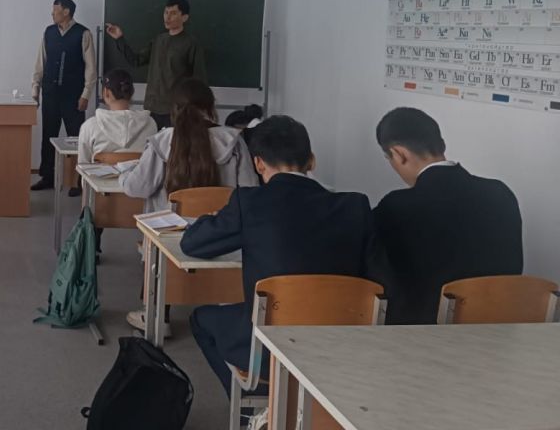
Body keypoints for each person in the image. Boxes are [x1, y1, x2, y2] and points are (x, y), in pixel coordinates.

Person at [181, 115, 384, 396]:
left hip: (268, 348)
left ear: (258, 163)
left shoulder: (249, 203)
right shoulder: (355, 206)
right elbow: (376, 281)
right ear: (312, 161)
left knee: (201, 319)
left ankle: (250, 407)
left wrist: (211, 217)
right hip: (339, 346)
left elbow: (192, 244)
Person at [119, 78, 256, 332]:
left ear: (174, 109)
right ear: (211, 107)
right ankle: (227, 310)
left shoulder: (162, 141)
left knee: (156, 228)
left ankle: (158, 315)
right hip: (222, 240)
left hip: (171, 244)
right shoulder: (234, 142)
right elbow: (250, 193)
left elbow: (137, 187)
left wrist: (124, 174)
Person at [373, 107, 523, 325]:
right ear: (442, 144)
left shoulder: (396, 207)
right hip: (498, 327)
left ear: (399, 154)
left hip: (424, 334)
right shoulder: (500, 194)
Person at [104, 0, 207, 128]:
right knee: (151, 141)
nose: (167, 17)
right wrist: (119, 39)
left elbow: (199, 79)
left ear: (184, 17)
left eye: (173, 13)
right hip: (151, 108)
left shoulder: (191, 44)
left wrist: (198, 108)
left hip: (176, 110)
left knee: (173, 141)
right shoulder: (158, 40)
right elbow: (136, 60)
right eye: (166, 12)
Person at [30, 0, 97, 193]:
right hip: (50, 93)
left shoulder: (83, 34)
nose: (52, 13)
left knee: (76, 139)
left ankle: (77, 181)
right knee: (48, 135)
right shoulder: (49, 32)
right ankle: (47, 176)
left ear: (66, 11)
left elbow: (91, 68)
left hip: (73, 95)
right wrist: (35, 89)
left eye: (55, 10)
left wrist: (86, 94)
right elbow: (40, 62)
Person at [77, 69, 156, 164]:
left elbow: (83, 166)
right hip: (139, 174)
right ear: (132, 92)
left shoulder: (90, 126)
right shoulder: (150, 124)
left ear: (106, 92)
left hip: (101, 174)